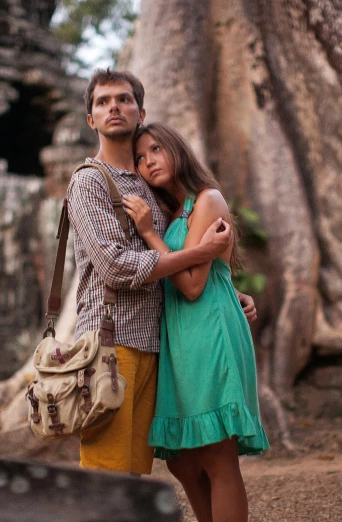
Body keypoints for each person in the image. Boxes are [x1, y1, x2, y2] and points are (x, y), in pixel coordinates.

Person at [66, 68, 258, 476]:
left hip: (157, 347)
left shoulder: (148, 183)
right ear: (91, 119)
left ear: (141, 111)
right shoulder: (89, 183)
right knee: (107, 475)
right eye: (102, 102)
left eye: (123, 99)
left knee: (137, 477)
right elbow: (116, 267)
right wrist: (198, 254)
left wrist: (226, 292)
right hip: (110, 342)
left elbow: (182, 250)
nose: (113, 107)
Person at [123, 122, 269, 522]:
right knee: (183, 464)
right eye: (139, 158)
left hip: (208, 332)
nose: (148, 161)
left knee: (218, 459)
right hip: (181, 336)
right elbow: (207, 267)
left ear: (176, 150)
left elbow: (191, 284)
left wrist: (150, 234)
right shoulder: (175, 210)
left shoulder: (207, 199)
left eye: (155, 149)